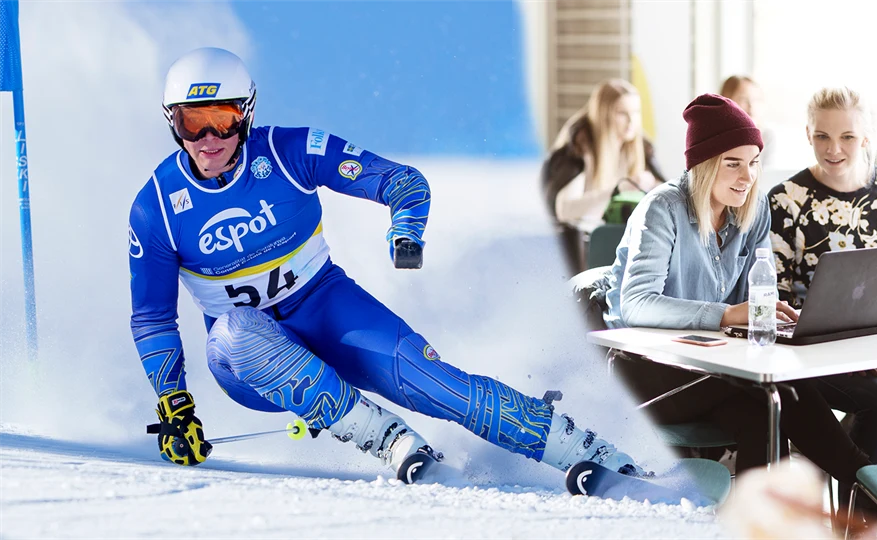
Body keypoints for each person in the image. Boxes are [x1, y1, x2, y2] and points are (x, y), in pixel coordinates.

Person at [128, 47, 638, 479]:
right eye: (191, 123)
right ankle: (389, 441)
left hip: (328, 310)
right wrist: (174, 404)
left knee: (440, 386)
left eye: (220, 119)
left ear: (247, 113)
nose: (207, 139)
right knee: (236, 329)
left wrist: (405, 232)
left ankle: (593, 457)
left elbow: (403, 181)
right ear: (172, 124)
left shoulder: (290, 151)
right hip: (247, 361)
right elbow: (152, 318)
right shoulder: (156, 207)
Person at [603, 93, 873, 482]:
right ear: (704, 164)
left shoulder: (753, 207)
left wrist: (778, 322)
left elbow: (758, 295)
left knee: (768, 416)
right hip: (646, 371)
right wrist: (728, 315)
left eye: (753, 163)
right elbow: (636, 304)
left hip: (714, 367)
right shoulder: (663, 208)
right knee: (782, 396)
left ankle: (768, 522)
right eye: (733, 165)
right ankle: (865, 485)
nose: (747, 178)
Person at [767, 86, 877, 503]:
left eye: (847, 137)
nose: (834, 148)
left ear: (866, 138)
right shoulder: (786, 200)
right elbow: (775, 295)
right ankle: (860, 520)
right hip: (814, 349)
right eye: (822, 136)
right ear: (808, 135)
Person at [541, 79, 666, 275]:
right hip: (581, 248)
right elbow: (564, 210)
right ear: (604, 115)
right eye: (622, 113)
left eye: (635, 113)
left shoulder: (642, 148)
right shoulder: (578, 148)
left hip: (615, 242)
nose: (632, 121)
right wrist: (619, 189)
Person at [719, 75, 774, 167]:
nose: (751, 105)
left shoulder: (767, 136)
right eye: (743, 99)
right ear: (726, 100)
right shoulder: (716, 137)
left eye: (756, 99)